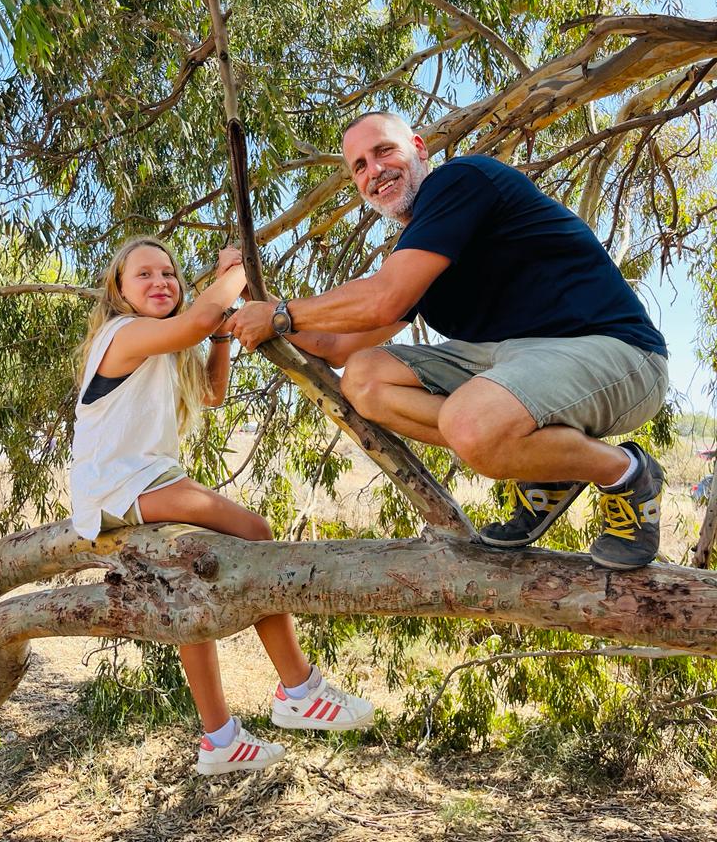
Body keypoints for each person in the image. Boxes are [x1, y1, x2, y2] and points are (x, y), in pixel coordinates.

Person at [227, 111, 669, 571]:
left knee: (470, 422)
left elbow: (383, 298)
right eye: (359, 165)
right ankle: (551, 465)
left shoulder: (462, 180)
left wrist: (279, 315)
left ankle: (626, 474)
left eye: (383, 151)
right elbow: (338, 346)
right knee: (365, 379)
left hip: (620, 355)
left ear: (419, 149)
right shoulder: (425, 247)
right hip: (518, 364)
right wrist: (260, 304)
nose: (374, 171)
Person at [70, 236, 373, 777]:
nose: (161, 281)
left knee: (192, 588)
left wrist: (220, 339)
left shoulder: (160, 343)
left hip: (137, 484)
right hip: (119, 486)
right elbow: (196, 318)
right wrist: (232, 272)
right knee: (254, 529)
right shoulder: (125, 333)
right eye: (144, 275)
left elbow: (211, 393)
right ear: (118, 292)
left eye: (168, 272)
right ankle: (299, 689)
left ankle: (220, 738)